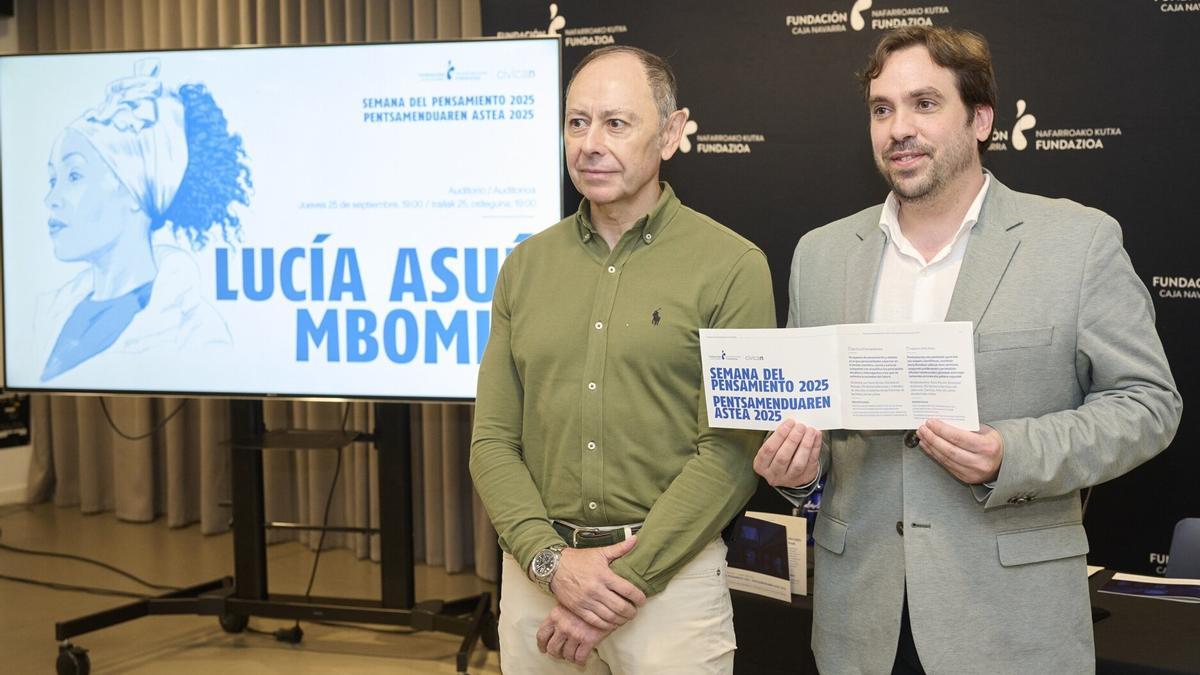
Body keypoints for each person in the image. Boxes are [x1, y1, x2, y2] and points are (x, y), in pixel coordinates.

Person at [755, 26, 1182, 674]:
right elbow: (813, 427)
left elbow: (1148, 404)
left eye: (925, 104)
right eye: (881, 109)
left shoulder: (1076, 242)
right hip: (860, 626)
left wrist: (1012, 453)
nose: (899, 128)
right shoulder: (820, 255)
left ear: (980, 119)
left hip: (1011, 625)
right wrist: (800, 475)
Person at [470, 45, 774, 673]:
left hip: (671, 586)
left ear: (670, 132)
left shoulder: (732, 266)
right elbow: (493, 441)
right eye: (577, 123)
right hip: (537, 581)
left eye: (615, 123)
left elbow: (730, 451)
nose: (589, 144)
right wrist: (552, 565)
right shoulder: (524, 267)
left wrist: (615, 586)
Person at [37, 58, 251, 383]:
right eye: (53, 179)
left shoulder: (196, 335)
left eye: (74, 175)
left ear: (134, 192)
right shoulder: (44, 314)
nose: (51, 199)